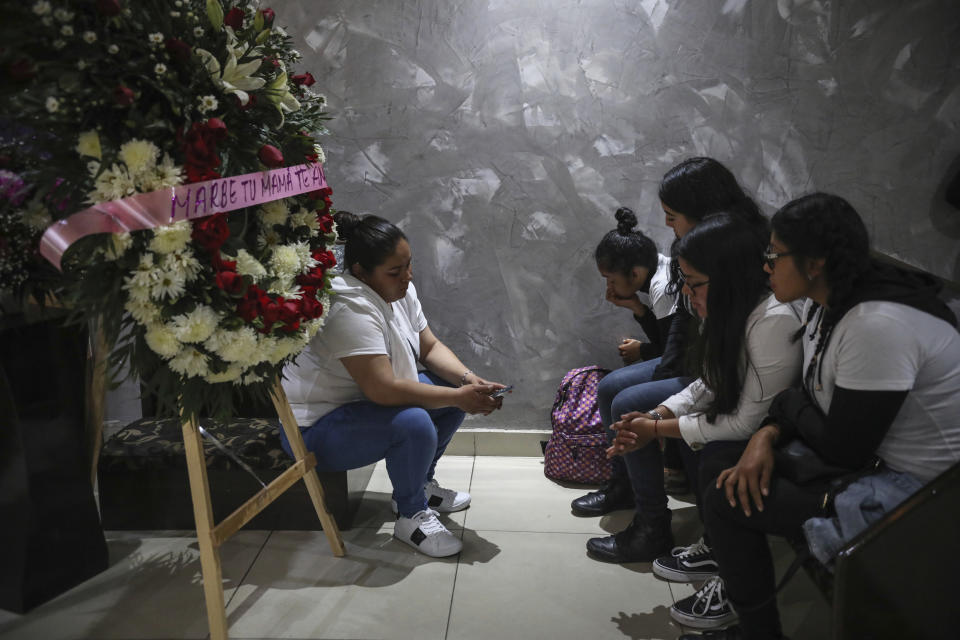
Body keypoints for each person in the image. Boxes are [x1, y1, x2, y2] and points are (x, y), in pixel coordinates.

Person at [674, 193, 960, 639]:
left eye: (774, 255)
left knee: (724, 497)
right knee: (721, 461)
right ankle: (748, 614)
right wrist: (766, 434)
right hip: (876, 462)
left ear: (815, 262)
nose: (765, 266)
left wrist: (782, 413)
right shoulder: (828, 304)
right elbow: (806, 396)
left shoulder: (875, 324)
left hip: (925, 496)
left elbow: (844, 447)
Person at [281, 212, 507, 558]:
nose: (407, 277)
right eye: (395, 271)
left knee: (444, 392)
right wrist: (458, 397)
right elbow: (382, 390)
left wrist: (466, 380)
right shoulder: (348, 307)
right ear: (360, 272)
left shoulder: (399, 291)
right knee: (415, 420)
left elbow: (428, 346)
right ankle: (410, 512)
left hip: (359, 408)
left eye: (409, 265)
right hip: (315, 430)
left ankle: (421, 484)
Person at [597, 213, 802, 582]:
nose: (686, 294)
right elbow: (707, 382)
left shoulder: (773, 321)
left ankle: (723, 560)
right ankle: (703, 539)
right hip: (746, 418)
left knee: (708, 450)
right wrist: (657, 413)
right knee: (644, 408)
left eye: (693, 283)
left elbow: (747, 422)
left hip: (773, 434)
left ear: (729, 276)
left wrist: (656, 430)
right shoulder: (725, 309)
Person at [572, 157, 767, 518]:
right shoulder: (697, 254)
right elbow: (681, 335)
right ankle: (623, 486)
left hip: (711, 369)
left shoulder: (730, 256)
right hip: (704, 365)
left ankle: (652, 519)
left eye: (671, 214)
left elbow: (679, 351)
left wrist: (659, 416)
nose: (665, 223)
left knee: (624, 401)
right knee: (610, 387)